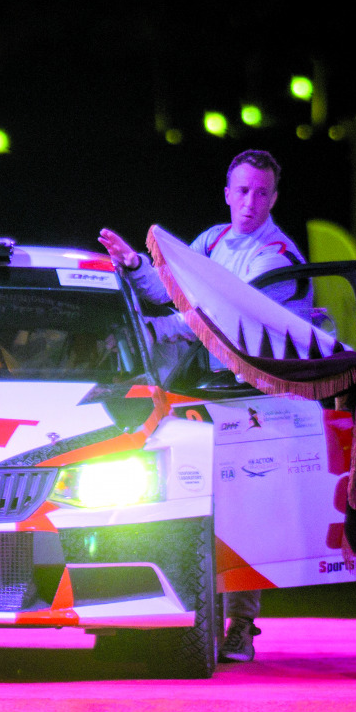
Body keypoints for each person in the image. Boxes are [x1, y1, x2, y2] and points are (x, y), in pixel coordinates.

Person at [99, 148, 305, 663]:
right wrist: (135, 265)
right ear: (227, 193)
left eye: (261, 192)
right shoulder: (213, 240)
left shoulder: (275, 255)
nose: (250, 201)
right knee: (200, 506)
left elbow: (210, 322)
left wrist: (155, 329)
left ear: (274, 197)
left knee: (246, 513)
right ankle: (181, 608)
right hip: (210, 393)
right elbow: (178, 293)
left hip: (258, 393)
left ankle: (241, 623)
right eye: (241, 190)